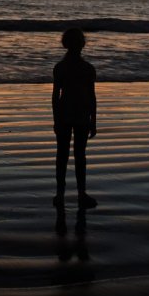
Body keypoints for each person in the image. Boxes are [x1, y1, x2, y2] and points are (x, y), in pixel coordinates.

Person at [52, 28, 98, 209]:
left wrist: (55, 119)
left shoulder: (60, 67)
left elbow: (55, 97)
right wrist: (94, 121)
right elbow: (92, 97)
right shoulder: (87, 68)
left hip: (63, 114)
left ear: (65, 45)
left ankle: (60, 194)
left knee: (61, 155)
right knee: (80, 155)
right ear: (83, 45)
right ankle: (81, 193)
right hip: (82, 114)